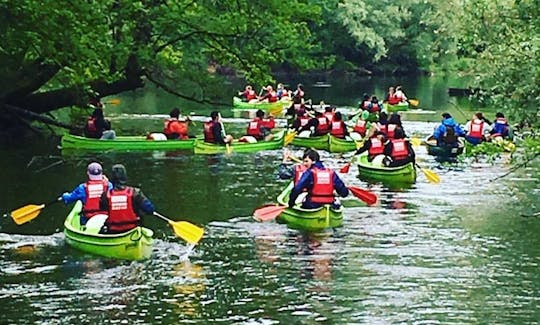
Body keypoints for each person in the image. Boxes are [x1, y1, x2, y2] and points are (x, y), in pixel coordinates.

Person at [98, 164, 155, 234]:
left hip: (112, 231)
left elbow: (102, 212)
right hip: (133, 229)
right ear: (125, 177)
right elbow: (150, 209)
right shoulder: (136, 192)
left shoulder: (105, 195)